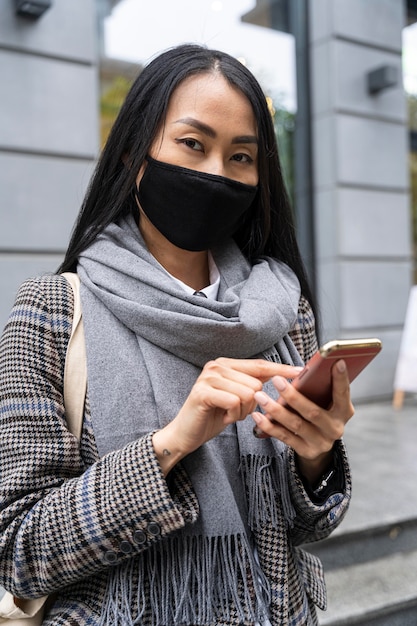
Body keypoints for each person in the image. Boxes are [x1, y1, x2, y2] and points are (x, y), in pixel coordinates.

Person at [0, 43, 353, 625]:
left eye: (241, 156)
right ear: (134, 155)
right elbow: (20, 550)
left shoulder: (283, 308)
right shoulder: (53, 312)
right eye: (193, 144)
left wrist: (317, 459)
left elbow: (311, 524)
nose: (216, 172)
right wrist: (171, 444)